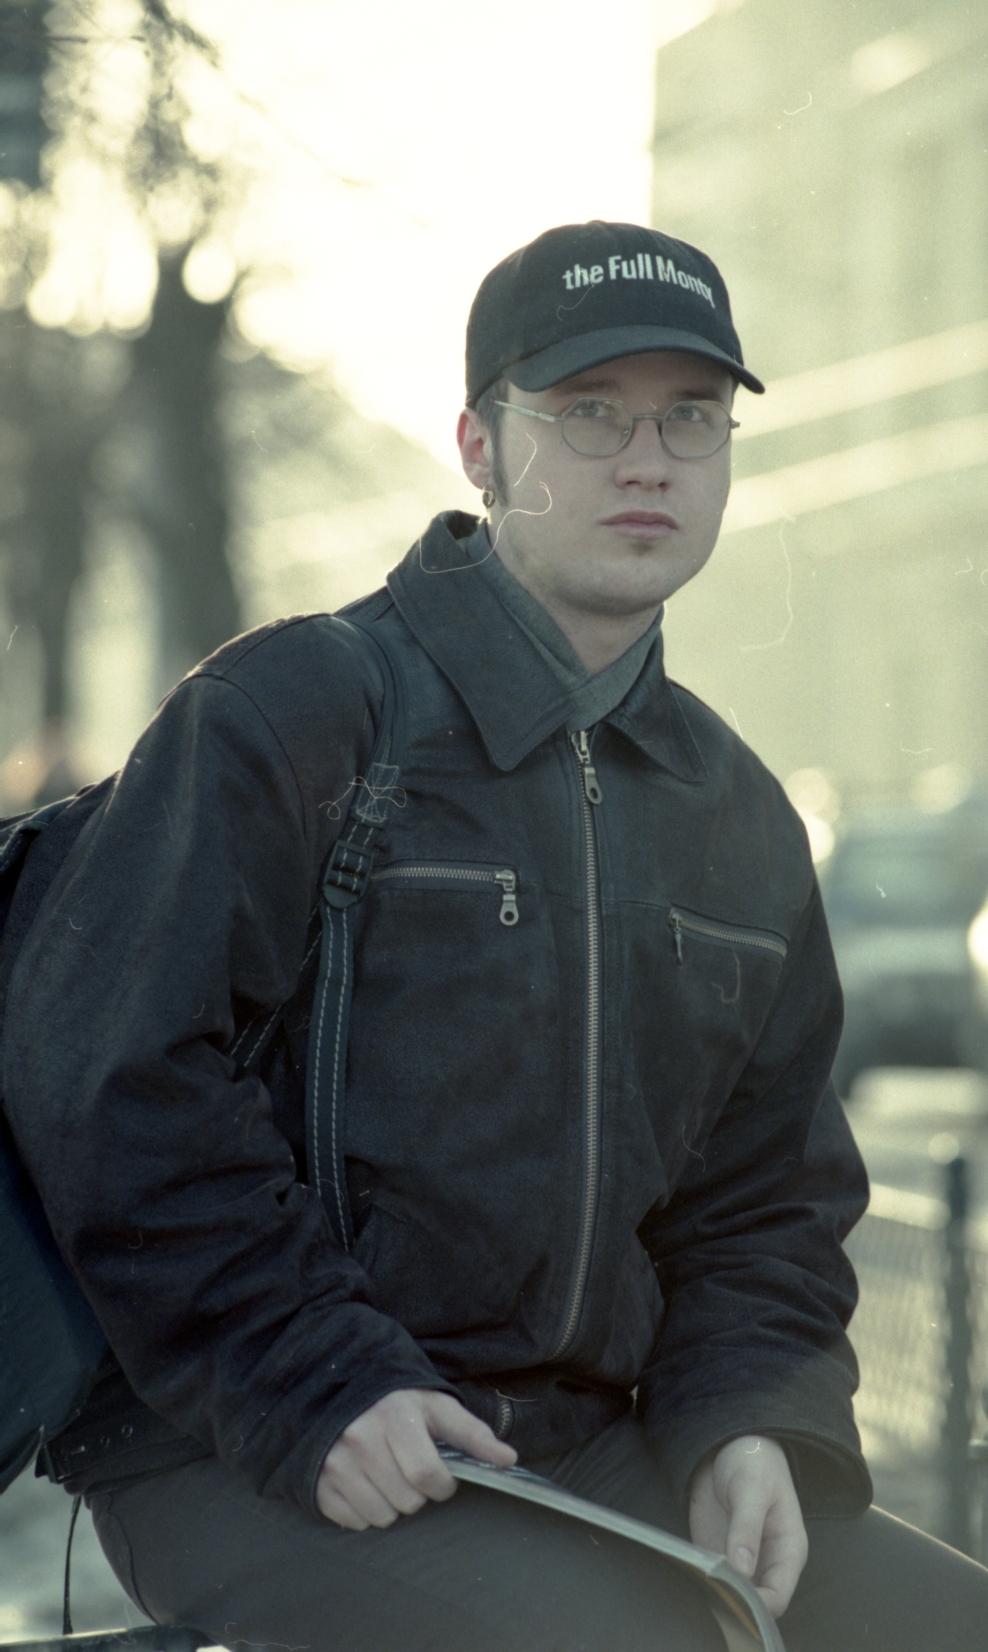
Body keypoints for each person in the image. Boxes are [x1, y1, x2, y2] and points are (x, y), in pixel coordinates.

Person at [5, 221, 988, 1652]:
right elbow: (106, 1073)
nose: (647, 460)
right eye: (590, 413)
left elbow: (763, 1194)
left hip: (584, 1441)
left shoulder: (739, 815)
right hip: (250, 1439)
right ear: (479, 443)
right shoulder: (297, 712)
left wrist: (748, 1419)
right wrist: (314, 1381)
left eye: (691, 417)